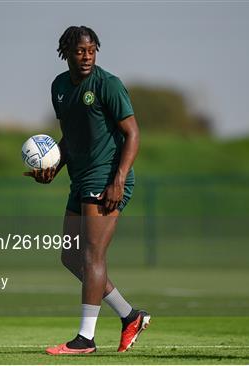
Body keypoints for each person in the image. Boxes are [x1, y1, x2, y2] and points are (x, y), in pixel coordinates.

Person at [24, 25, 150, 355]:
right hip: (80, 179)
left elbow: (133, 134)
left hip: (107, 178)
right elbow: (71, 137)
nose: (87, 56)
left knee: (93, 255)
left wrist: (119, 180)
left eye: (92, 49)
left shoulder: (107, 84)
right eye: (80, 50)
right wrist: (54, 166)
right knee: (70, 257)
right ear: (66, 52)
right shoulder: (60, 87)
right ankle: (130, 315)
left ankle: (85, 339)